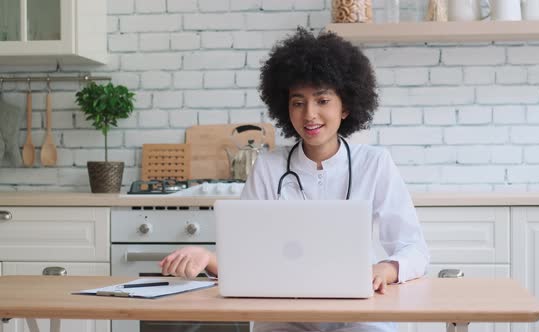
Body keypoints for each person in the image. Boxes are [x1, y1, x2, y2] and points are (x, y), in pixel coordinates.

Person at [160, 27, 430, 332]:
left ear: (347, 106)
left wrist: (386, 268)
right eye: (298, 102)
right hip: (283, 317)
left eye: (323, 101)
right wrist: (207, 256)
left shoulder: (375, 164)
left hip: (358, 314)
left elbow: (414, 250)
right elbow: (244, 260)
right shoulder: (268, 167)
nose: (309, 115)